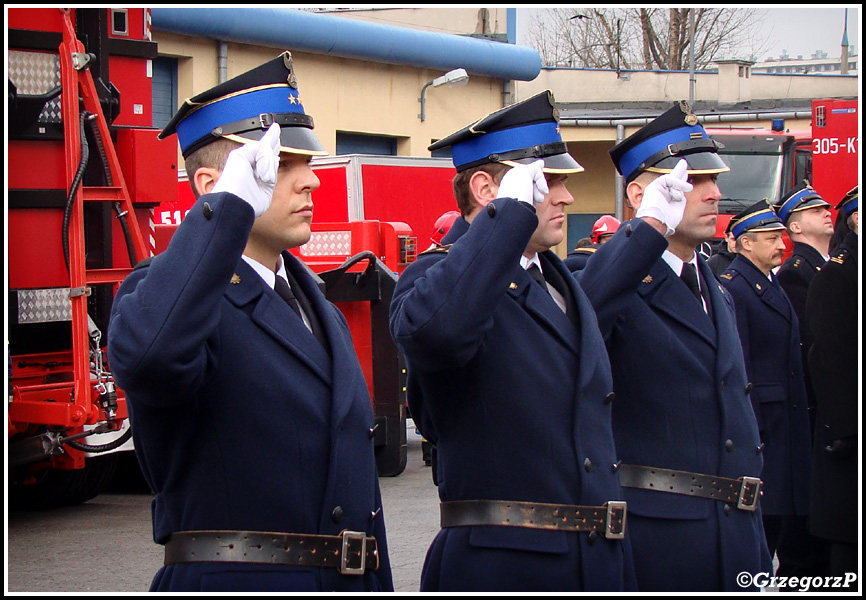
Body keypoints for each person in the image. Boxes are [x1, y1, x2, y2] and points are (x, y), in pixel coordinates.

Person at [107, 52, 392, 593]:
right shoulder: (167, 298)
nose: (310, 180)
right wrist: (226, 211)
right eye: (280, 164)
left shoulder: (318, 306)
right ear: (212, 183)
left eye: (305, 163)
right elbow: (151, 357)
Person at [389, 90, 683, 591]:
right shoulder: (438, 279)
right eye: (549, 183)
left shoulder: (556, 281)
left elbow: (605, 288)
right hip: (507, 564)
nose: (566, 197)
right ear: (487, 189)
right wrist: (506, 219)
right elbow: (434, 333)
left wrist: (651, 226)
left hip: (592, 561)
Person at [584, 101, 772, 591]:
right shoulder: (616, 282)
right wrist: (645, 232)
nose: (714, 193)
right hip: (662, 538)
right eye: (694, 181)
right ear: (640, 194)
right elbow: (586, 314)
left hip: (736, 531)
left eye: (714, 180)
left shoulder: (713, 283)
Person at [718, 200, 813, 572]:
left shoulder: (768, 281)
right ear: (744, 243)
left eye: (781, 237)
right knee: (764, 528)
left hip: (784, 419)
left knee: (780, 524)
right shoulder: (737, 287)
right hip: (764, 424)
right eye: (771, 237)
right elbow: (740, 364)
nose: (781, 245)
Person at [806, 186, 858, 580]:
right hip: (850, 441)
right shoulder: (839, 274)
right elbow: (830, 358)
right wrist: (846, 433)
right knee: (849, 552)